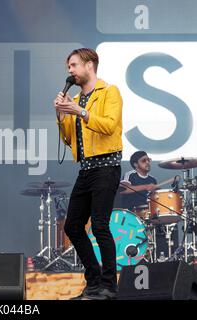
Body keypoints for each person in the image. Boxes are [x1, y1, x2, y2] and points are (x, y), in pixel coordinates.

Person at [54, 48, 123, 300]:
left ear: (89, 65)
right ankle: (93, 281)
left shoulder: (109, 92)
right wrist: (61, 115)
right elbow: (69, 140)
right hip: (86, 169)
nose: (70, 71)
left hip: (107, 166)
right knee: (72, 225)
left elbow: (109, 125)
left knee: (100, 225)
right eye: (68, 67)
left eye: (73, 65)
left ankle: (109, 286)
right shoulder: (76, 98)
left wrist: (80, 112)